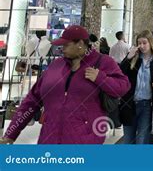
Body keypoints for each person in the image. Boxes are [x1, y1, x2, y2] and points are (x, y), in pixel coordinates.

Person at [0, 25, 130, 144]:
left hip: (85, 142)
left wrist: (100, 78)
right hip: (49, 141)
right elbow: (31, 101)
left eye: (66, 45)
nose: (62, 49)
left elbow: (123, 87)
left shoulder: (103, 62)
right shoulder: (56, 66)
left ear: (80, 44)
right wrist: (11, 133)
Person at [119, 30, 153, 144]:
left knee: (142, 139)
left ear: (151, 43)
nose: (141, 46)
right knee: (128, 140)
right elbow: (120, 74)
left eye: (144, 43)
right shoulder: (133, 59)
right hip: (129, 104)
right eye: (139, 43)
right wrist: (128, 58)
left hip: (147, 106)